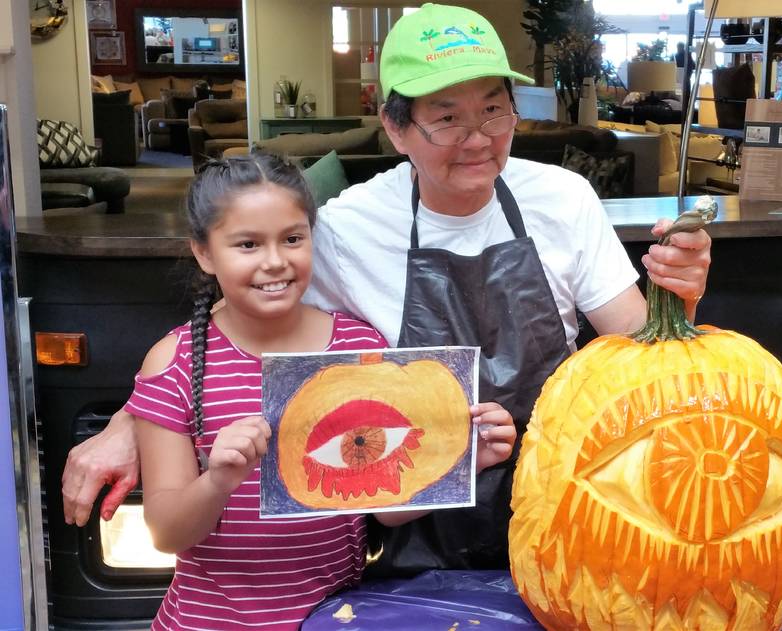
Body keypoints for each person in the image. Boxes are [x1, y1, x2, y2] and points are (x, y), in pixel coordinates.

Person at [62, 2, 712, 576]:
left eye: (494, 108)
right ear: (396, 128)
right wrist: (135, 421)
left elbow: (636, 349)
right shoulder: (347, 228)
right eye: (447, 118)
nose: (480, 138)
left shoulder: (563, 198)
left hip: (559, 503)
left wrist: (679, 296)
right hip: (411, 516)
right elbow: (239, 325)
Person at [126, 154, 516, 629]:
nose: (275, 261)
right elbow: (166, 531)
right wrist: (218, 481)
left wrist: (463, 461)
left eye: (293, 238)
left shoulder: (359, 346)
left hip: (337, 616)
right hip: (207, 621)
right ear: (204, 253)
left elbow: (383, 509)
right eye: (247, 244)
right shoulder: (175, 361)